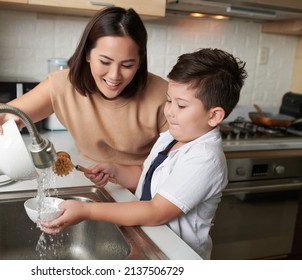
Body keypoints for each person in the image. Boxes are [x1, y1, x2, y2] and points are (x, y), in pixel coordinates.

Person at [40, 48, 248, 260]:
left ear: (214, 116)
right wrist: (116, 170)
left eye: (181, 105)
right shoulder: (172, 136)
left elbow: (156, 210)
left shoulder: (205, 158)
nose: (169, 111)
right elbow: (148, 177)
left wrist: (87, 211)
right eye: (169, 100)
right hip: (151, 239)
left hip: (175, 255)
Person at [0, 7, 168, 166]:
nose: (114, 76)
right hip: (91, 183)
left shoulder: (163, 96)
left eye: (127, 65)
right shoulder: (62, 85)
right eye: (105, 62)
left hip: (144, 194)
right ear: (87, 54)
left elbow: (177, 164)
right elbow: (11, 114)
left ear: (140, 61)